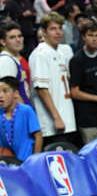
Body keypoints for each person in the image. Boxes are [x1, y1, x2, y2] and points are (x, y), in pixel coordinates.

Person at [28, 12, 79, 147]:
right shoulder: (40, 54)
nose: (58, 32)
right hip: (52, 125)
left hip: (67, 118)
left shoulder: (63, 51)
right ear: (43, 32)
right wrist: (56, 118)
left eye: (60, 28)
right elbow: (42, 90)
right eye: (53, 29)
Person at [0, 76, 42, 160]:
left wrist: (35, 160)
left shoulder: (26, 110)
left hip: (26, 162)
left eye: (5, 91)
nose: (0, 95)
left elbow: (38, 135)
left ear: (15, 94)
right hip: (7, 163)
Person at [0, 21, 32, 105]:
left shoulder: (13, 59)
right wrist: (25, 114)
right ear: (3, 42)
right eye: (12, 37)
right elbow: (9, 94)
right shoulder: (6, 61)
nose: (18, 40)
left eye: (20, 36)